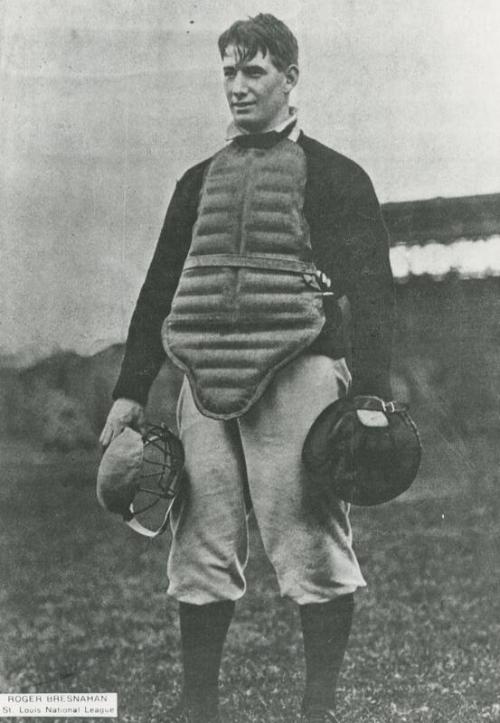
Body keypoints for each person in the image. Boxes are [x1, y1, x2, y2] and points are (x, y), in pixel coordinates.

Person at [100, 13, 394, 723]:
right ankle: (198, 706)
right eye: (229, 70)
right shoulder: (197, 182)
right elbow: (159, 288)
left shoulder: (335, 176)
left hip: (300, 373)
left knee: (309, 542)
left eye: (253, 70)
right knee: (198, 542)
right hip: (204, 383)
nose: (237, 85)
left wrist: (375, 394)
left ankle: (316, 706)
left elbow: (376, 291)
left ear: (289, 78)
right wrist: (129, 391)